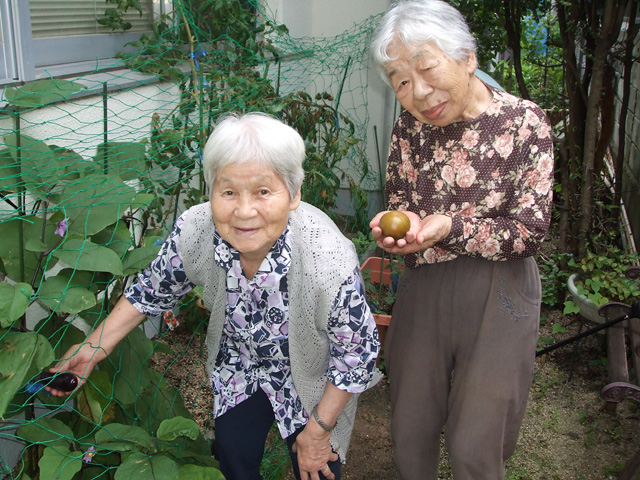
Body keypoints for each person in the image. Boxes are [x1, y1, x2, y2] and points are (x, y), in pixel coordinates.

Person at [48, 112, 382, 480]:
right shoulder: (197, 229)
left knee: (318, 467)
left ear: (294, 193)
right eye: (228, 192)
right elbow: (153, 289)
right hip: (241, 366)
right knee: (233, 456)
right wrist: (93, 350)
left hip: (313, 373)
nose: (243, 211)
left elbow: (357, 355)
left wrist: (318, 430)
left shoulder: (327, 260)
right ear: (210, 192)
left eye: (263, 191)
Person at [368, 1, 554, 479]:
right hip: (425, 281)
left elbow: (529, 232)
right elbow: (402, 199)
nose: (419, 92)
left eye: (427, 69)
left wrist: (452, 228)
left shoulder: (525, 122)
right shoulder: (410, 125)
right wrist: (406, 224)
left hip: (501, 289)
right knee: (411, 423)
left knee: (477, 438)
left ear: (468, 57)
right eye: (401, 81)